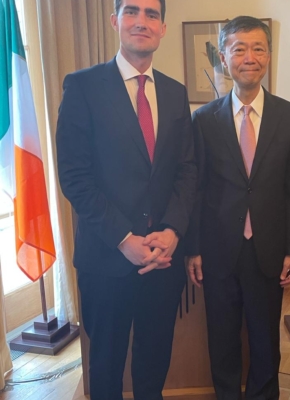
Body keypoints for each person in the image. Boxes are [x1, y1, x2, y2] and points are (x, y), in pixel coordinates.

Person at [56, 0, 196, 399]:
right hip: (106, 258)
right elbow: (75, 178)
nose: (142, 21)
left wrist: (172, 231)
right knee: (106, 367)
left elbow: (187, 170)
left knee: (154, 364)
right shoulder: (82, 86)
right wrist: (124, 239)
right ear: (115, 21)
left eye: (152, 14)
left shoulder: (175, 92)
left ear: (163, 28)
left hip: (162, 260)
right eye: (132, 11)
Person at [186, 16, 290, 400]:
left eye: (257, 48)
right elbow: (197, 188)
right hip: (219, 250)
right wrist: (193, 247)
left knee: (265, 339)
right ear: (224, 57)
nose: (249, 57)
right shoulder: (204, 120)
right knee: (221, 339)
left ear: (269, 55)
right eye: (239, 49)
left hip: (268, 251)